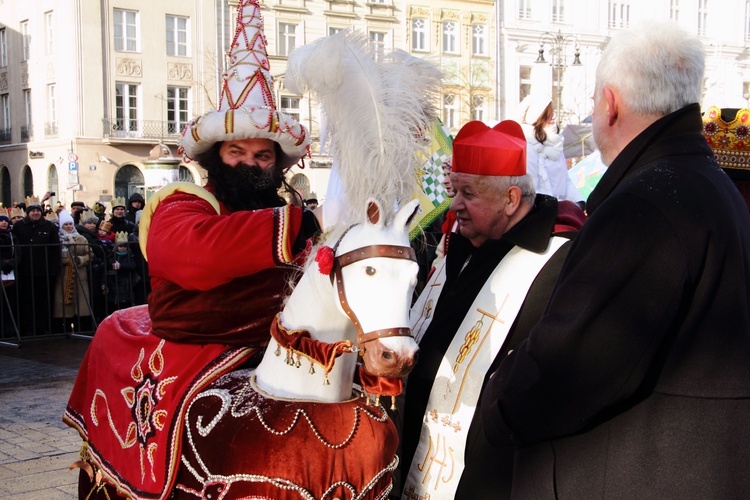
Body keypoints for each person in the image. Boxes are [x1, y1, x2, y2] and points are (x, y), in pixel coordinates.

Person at [480, 21, 750, 498]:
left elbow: (567, 368)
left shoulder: (645, 205)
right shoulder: (708, 184)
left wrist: (496, 399)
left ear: (610, 104)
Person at [65, 1, 319, 496]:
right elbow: (196, 255)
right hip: (201, 348)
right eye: (237, 152)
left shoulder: (287, 212)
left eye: (263, 155)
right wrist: (293, 224)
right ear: (215, 157)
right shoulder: (185, 201)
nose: (251, 163)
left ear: (278, 164)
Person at [398, 120, 585, 499]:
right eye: (455, 190)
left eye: (468, 194)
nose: (455, 206)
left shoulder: (557, 260)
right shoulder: (462, 240)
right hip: (409, 439)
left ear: (511, 199)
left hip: (484, 470)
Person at [519, 94, 584, 208]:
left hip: (556, 211)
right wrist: (554, 207)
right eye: (549, 114)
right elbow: (531, 190)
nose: (554, 117)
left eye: (553, 112)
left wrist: (579, 201)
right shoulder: (527, 147)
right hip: (539, 214)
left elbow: (566, 183)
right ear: (538, 117)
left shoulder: (556, 146)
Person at [12, 196, 61, 335]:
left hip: (44, 271)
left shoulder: (49, 226)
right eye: (32, 211)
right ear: (28, 212)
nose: (35, 213)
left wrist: (53, 269)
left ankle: (43, 328)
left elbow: (55, 248)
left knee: (44, 301)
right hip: (25, 271)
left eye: (38, 211)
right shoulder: (19, 226)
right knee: (26, 301)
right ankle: (27, 328)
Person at [53, 210, 94, 332]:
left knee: (81, 302)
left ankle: (82, 328)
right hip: (63, 275)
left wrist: (80, 259)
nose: (69, 227)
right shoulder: (58, 239)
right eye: (65, 224)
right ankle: (64, 328)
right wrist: (66, 260)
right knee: (64, 303)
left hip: (80, 274)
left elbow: (90, 254)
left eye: (70, 224)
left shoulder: (81, 239)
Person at [104, 231, 139, 312]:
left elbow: (133, 265)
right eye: (120, 246)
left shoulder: (130, 256)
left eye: (124, 246)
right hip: (114, 284)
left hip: (126, 283)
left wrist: (121, 265)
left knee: (125, 306)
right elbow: (106, 270)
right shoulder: (111, 256)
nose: (123, 248)